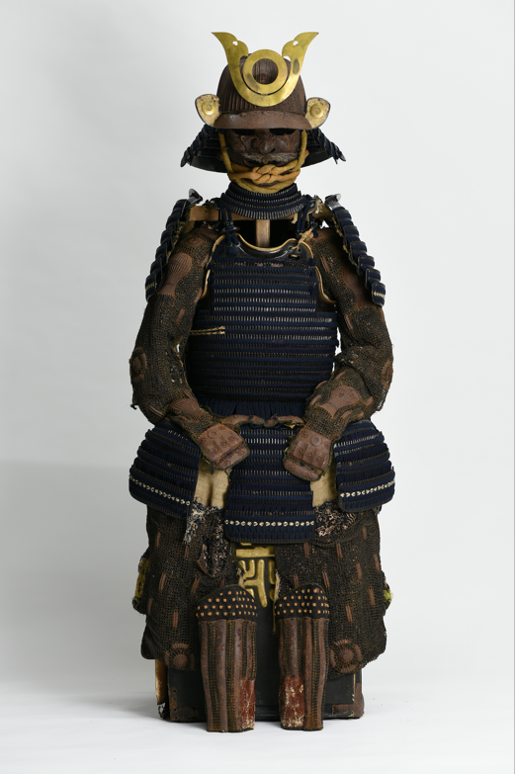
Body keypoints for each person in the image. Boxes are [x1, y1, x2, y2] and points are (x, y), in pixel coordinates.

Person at [129, 32, 395, 732]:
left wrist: (324, 423)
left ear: (307, 136)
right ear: (219, 137)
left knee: (336, 536)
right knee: (189, 531)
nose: (266, 152)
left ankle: (329, 679)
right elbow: (153, 358)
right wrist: (198, 424)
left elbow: (371, 353)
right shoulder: (197, 240)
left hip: (313, 438)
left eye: (281, 134)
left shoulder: (328, 240)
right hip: (211, 436)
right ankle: (198, 685)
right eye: (248, 135)